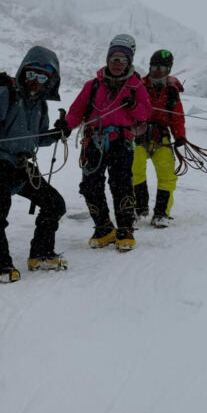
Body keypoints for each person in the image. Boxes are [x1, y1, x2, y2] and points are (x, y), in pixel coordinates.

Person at [0, 46, 66, 282]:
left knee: (54, 204)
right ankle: (1, 265)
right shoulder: (4, 94)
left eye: (42, 77)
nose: (35, 81)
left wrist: (57, 133)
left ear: (50, 81)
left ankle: (41, 254)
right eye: (31, 74)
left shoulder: (40, 105)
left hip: (22, 168)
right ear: (23, 72)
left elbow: (37, 138)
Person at [65, 34, 151, 252]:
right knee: (90, 186)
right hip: (93, 141)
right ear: (108, 59)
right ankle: (103, 227)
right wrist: (66, 126)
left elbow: (145, 114)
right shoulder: (93, 85)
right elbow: (76, 111)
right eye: (114, 58)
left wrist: (131, 105)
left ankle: (125, 228)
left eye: (122, 59)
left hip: (121, 142)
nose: (117, 63)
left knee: (121, 184)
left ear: (129, 62)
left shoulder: (135, 87)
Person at [133, 49, 187, 227]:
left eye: (162, 67)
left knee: (167, 174)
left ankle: (161, 212)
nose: (157, 70)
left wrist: (180, 136)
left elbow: (177, 116)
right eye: (154, 66)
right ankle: (139, 207)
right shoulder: (138, 86)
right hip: (138, 135)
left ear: (169, 69)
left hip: (161, 136)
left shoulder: (172, 91)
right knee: (134, 170)